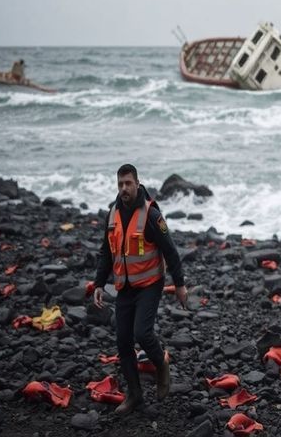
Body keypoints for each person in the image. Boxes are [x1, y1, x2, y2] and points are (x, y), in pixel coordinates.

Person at [93, 164, 188, 414]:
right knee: (123, 341)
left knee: (142, 333)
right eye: (120, 184)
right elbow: (106, 252)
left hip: (149, 285)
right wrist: (99, 284)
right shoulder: (112, 214)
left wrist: (179, 284)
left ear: (137, 183)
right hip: (124, 286)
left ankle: (161, 362)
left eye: (128, 183)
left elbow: (170, 250)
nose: (124, 188)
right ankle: (135, 396)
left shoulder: (151, 214)